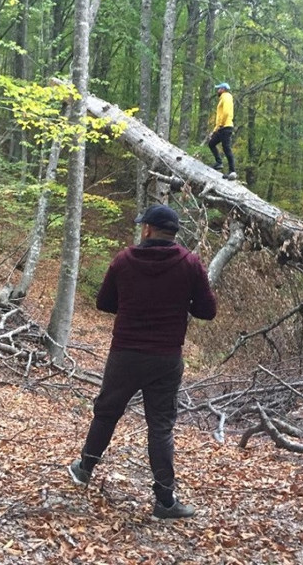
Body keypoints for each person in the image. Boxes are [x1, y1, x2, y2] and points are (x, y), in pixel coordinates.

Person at [67, 204, 217, 519]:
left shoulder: (124, 260)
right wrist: (180, 300)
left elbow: (104, 302)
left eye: (142, 226)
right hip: (166, 357)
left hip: (125, 354)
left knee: (107, 413)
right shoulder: (190, 264)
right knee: (160, 427)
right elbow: (207, 311)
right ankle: (164, 501)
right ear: (173, 233)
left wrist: (134, 302)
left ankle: (84, 468)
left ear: (147, 229)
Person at [208, 82, 237, 181]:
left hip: (226, 126)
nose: (217, 91)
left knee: (226, 148)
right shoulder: (222, 98)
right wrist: (215, 130)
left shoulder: (226, 97)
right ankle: (219, 162)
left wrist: (221, 125)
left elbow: (226, 112)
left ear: (223, 89)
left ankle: (232, 171)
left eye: (219, 89)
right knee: (211, 143)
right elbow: (220, 115)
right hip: (221, 127)